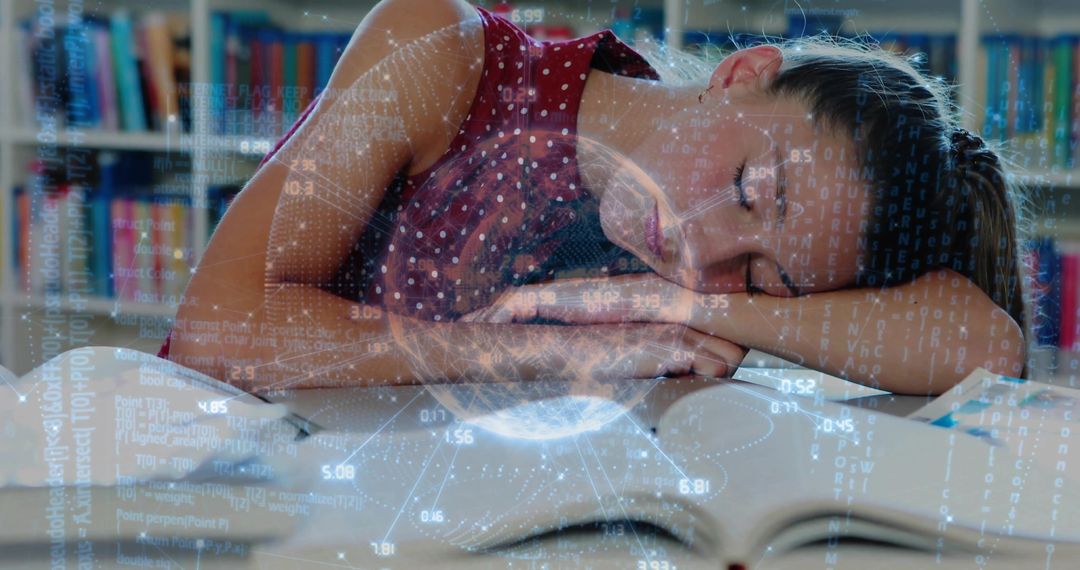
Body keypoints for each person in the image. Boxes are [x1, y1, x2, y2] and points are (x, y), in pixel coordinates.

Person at [161, 0, 1027, 396]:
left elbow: (982, 344)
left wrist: (668, 301)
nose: (699, 245)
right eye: (749, 191)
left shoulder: (688, 282)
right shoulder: (440, 49)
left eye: (761, 275)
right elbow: (216, 332)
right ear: (742, 74)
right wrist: (539, 349)